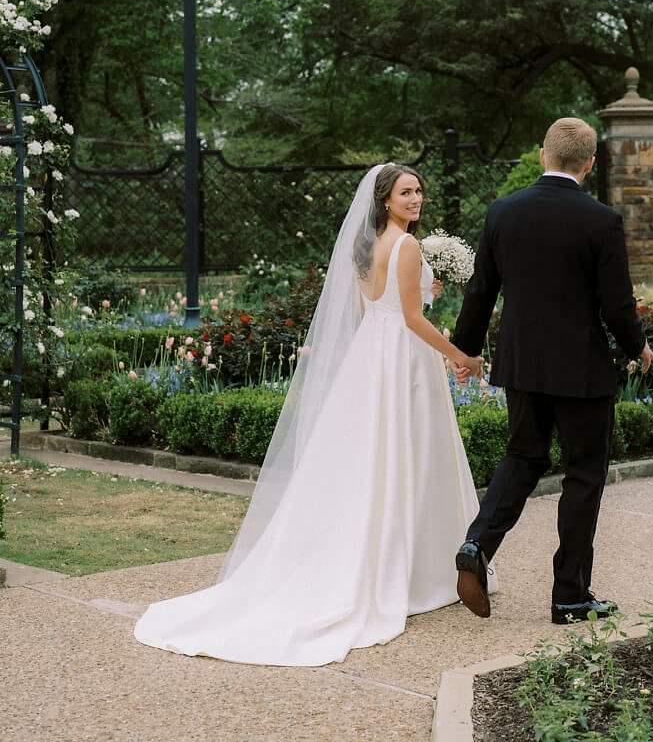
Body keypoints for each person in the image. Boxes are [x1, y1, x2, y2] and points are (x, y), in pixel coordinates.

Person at [135, 163, 494, 666]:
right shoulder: (408, 246)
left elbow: (379, 311)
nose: (415, 199)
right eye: (405, 192)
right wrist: (460, 355)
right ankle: (412, 571)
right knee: (405, 458)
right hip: (400, 359)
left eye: (419, 190)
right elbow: (412, 318)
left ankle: (390, 560)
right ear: (385, 199)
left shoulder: (364, 245)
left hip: (372, 356)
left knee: (373, 460)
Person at [451, 118, 653, 624]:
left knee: (523, 457)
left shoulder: (503, 212)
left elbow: (480, 291)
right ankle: (570, 596)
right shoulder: (600, 220)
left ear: (543, 154)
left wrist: (465, 350)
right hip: (582, 372)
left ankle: (477, 543)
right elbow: (617, 304)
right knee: (584, 475)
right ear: (589, 163)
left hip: (521, 365)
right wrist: (638, 347)